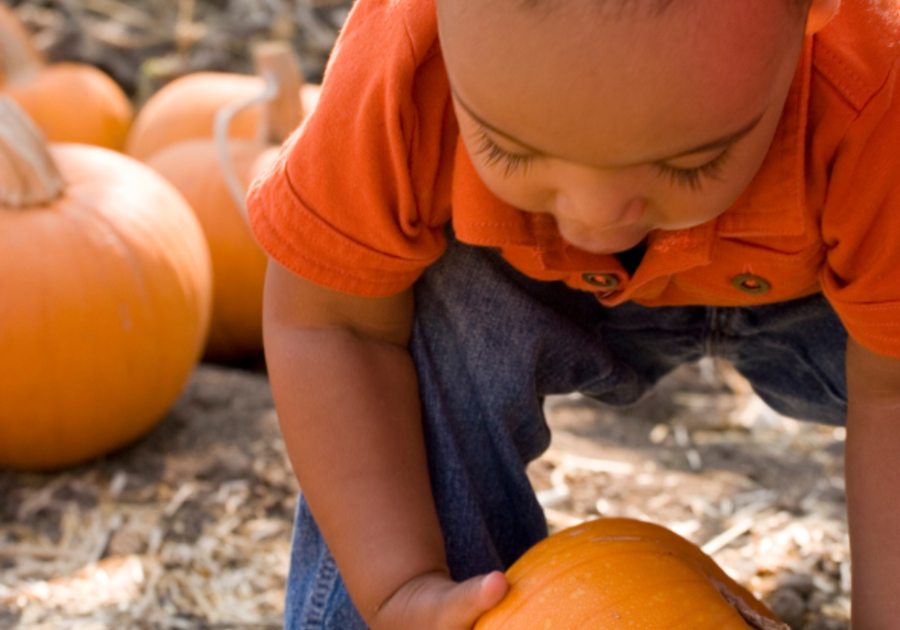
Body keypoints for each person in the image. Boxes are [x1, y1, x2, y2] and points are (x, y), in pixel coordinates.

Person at [246, 0, 900, 627]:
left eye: (691, 162)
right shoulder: (397, 69)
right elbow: (337, 322)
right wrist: (397, 584)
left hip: (831, 313)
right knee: (401, 309)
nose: (596, 222)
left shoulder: (880, 92)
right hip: (528, 283)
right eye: (510, 150)